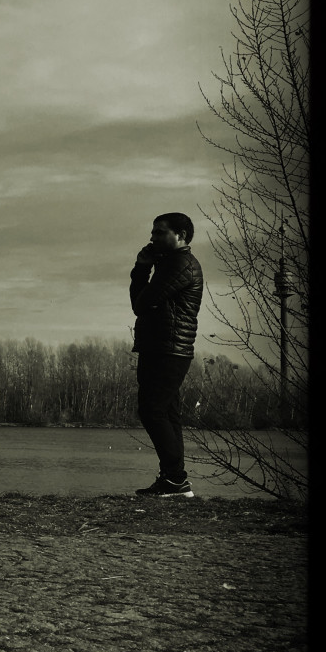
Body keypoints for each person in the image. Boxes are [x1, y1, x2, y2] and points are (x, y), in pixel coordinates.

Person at [129, 213, 203, 497]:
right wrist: (141, 268)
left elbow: (142, 303)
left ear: (181, 235)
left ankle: (176, 478)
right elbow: (140, 302)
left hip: (170, 348)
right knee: (168, 413)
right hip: (161, 346)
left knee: (152, 410)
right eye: (153, 232)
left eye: (160, 233)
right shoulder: (169, 264)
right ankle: (174, 481)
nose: (153, 238)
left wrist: (142, 268)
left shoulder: (181, 264)